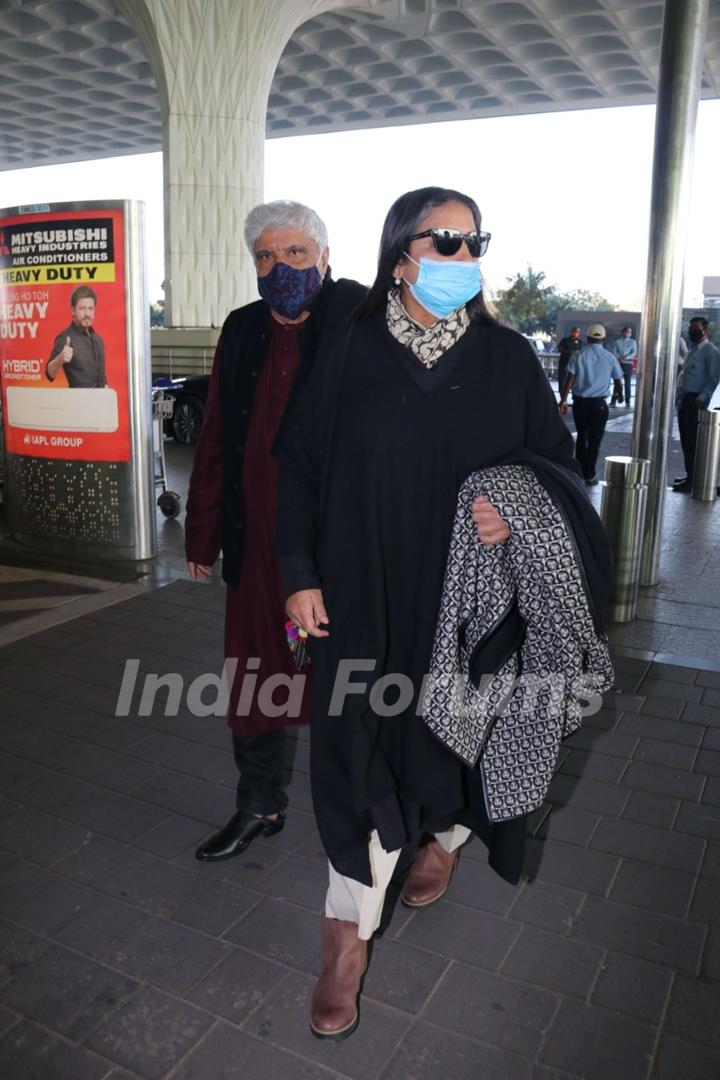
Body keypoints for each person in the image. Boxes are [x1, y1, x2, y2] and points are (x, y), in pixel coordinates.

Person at [277, 187, 610, 1041]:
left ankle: (445, 840)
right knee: (352, 754)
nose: (467, 257)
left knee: (455, 740)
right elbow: (301, 471)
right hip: (362, 599)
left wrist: (519, 502)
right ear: (402, 256)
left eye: (476, 241)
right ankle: (346, 937)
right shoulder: (348, 348)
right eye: (449, 241)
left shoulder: (505, 358)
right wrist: (297, 572)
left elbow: (560, 464)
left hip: (468, 608)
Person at [185, 200, 365, 862]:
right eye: (265, 255)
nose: (279, 266)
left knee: (349, 686)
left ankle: (368, 825)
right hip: (258, 550)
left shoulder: (358, 322)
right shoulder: (242, 329)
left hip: (337, 553)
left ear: (323, 255)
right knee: (255, 681)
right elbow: (216, 440)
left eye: (294, 253)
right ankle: (259, 804)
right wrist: (202, 535)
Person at [559, 323, 624, 485]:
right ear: (602, 339)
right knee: (595, 440)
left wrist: (563, 399)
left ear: (587, 338)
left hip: (580, 403)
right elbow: (618, 380)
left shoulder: (578, 355)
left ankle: (579, 472)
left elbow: (569, 379)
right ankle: (590, 474)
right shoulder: (610, 357)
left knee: (582, 437)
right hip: (599, 405)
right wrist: (620, 394)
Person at [672, 317, 720, 492]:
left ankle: (695, 478)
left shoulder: (710, 352)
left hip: (696, 401)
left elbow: (714, 378)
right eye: (691, 328)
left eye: (696, 329)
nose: (692, 332)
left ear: (705, 331)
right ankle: (690, 475)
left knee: (694, 441)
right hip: (685, 399)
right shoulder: (693, 350)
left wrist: (703, 397)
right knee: (686, 440)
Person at [46, 286, 106, 387]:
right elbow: (49, 373)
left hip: (101, 401)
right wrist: (60, 359)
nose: (87, 313)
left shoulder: (98, 339)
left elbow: (102, 377)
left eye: (90, 309)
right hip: (77, 402)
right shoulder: (65, 338)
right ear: (73, 310)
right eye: (82, 309)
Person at [611, 326, 637, 407]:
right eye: (627, 331)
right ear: (623, 332)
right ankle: (614, 400)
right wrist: (619, 358)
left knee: (627, 383)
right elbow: (613, 351)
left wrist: (627, 357)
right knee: (617, 382)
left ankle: (628, 401)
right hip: (618, 363)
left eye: (630, 332)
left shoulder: (633, 342)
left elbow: (634, 352)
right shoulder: (617, 342)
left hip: (628, 364)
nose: (628, 333)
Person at [556, 326, 582, 398]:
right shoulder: (565, 340)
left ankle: (574, 395)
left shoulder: (579, 342)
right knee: (562, 379)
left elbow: (581, 351)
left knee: (574, 380)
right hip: (564, 361)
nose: (576, 333)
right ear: (571, 332)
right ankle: (562, 396)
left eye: (577, 332)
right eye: (575, 331)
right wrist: (569, 352)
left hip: (574, 363)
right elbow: (559, 348)